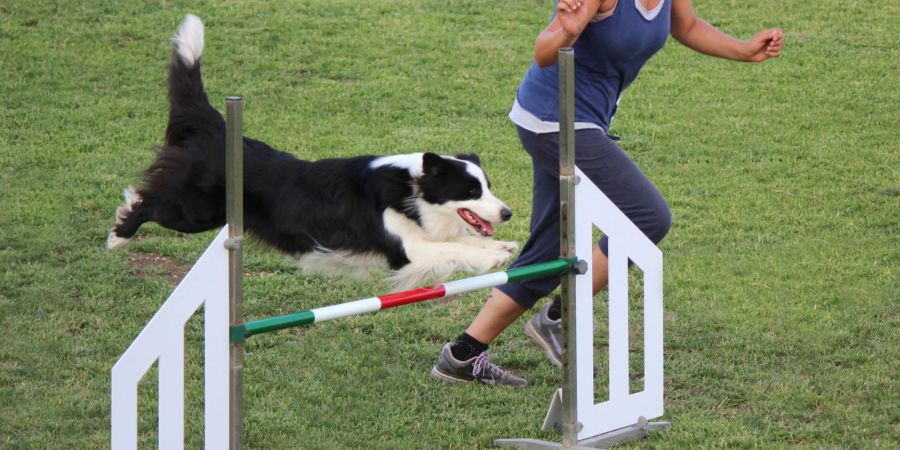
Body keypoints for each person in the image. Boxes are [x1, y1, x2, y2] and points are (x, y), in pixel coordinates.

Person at [430, 0, 784, 387]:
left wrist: (745, 49)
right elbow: (545, 52)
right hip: (555, 120)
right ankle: (560, 319)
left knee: (551, 248)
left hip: (580, 121)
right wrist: (565, 30)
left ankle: (462, 356)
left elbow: (687, 25)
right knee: (648, 217)